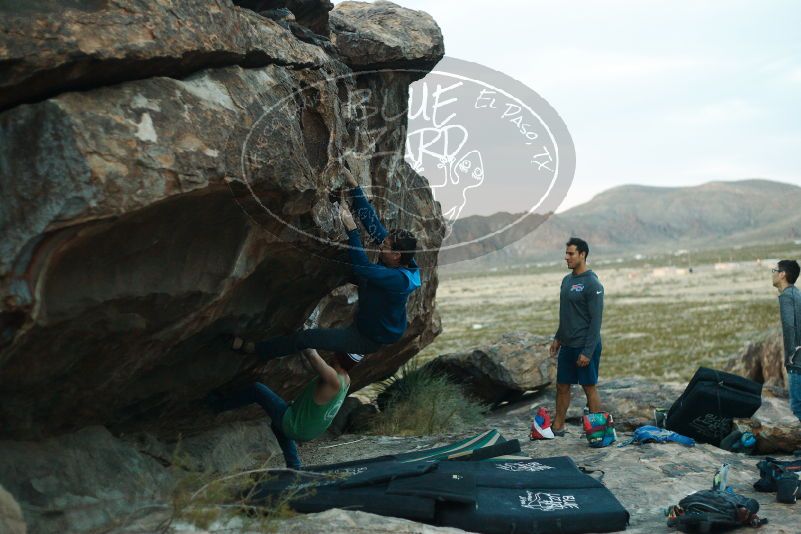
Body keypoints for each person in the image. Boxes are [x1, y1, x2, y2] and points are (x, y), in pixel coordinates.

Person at [232, 166, 421, 359]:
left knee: (305, 339)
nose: (381, 245)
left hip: (366, 337)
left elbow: (363, 269)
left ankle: (256, 350)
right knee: (338, 264)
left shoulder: (400, 281)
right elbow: (374, 226)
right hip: (372, 296)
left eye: (386, 246)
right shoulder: (401, 257)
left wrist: (351, 230)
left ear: (397, 255)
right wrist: (354, 186)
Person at [208, 349, 360, 469]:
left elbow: (312, 354)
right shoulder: (346, 379)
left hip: (295, 425)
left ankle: (217, 405)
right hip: (310, 429)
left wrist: (306, 335)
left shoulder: (334, 379)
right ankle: (294, 466)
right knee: (277, 426)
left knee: (257, 390)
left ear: (339, 356)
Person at [549, 237, 604, 436]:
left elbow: (596, 321)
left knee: (589, 387)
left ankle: (597, 430)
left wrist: (587, 352)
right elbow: (566, 314)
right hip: (567, 345)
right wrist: (557, 338)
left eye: (571, 253)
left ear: (582, 255)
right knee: (562, 386)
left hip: (584, 346)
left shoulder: (592, 283)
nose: (567, 257)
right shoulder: (567, 280)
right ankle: (558, 427)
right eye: (566, 253)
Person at [772, 259, 801, 421]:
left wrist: (790, 358)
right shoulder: (796, 293)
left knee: (797, 406)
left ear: (782, 275)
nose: (773, 274)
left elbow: (790, 328)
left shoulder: (786, 297)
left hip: (797, 361)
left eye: (774, 271)